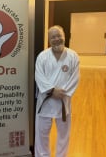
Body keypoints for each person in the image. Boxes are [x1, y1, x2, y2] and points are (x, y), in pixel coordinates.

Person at [34, 25, 80, 157]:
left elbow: (75, 77)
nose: (56, 39)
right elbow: (39, 76)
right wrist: (52, 91)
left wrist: (62, 92)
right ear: (49, 40)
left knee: (64, 134)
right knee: (42, 134)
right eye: (53, 37)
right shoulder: (42, 56)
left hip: (63, 101)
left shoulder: (73, 56)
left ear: (64, 36)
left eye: (59, 35)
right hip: (46, 100)